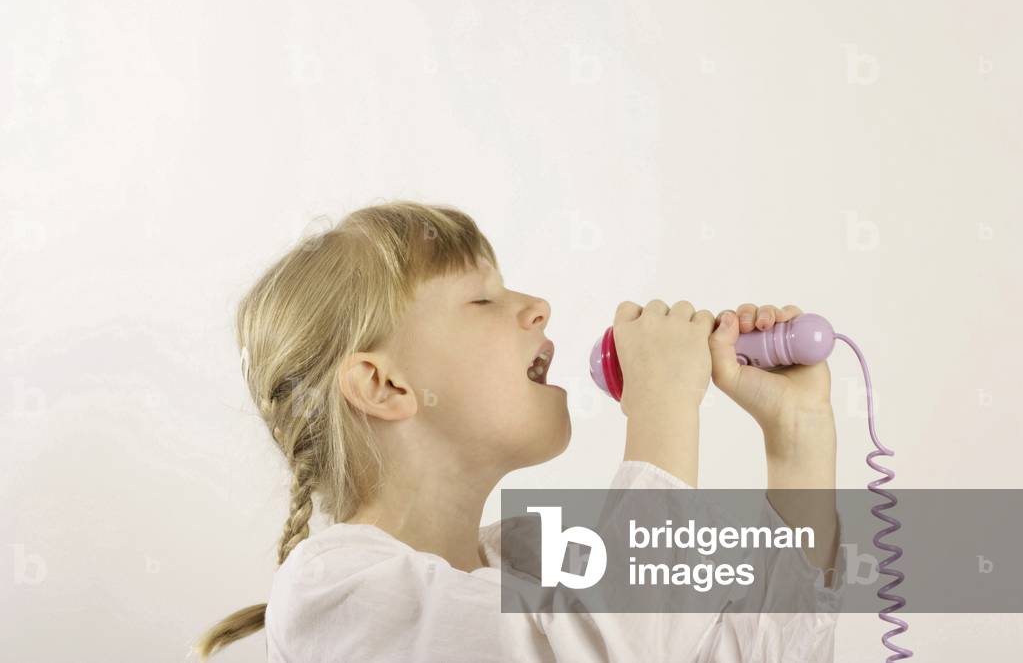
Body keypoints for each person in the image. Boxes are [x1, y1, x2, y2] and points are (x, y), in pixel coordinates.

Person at [191, 200, 844, 662]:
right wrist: (663, 408)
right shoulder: (335, 589)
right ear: (385, 386)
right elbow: (606, 651)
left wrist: (797, 441)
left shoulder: (534, 556)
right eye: (481, 299)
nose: (537, 306)